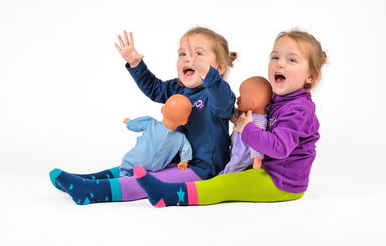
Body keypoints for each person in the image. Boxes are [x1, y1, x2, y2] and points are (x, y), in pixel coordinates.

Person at [134, 29, 328, 207]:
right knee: (229, 172)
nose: (280, 63)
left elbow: (279, 148)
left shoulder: (299, 110)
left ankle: (168, 195)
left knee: (222, 184)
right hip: (265, 169)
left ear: (310, 76)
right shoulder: (280, 99)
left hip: (282, 182)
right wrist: (239, 117)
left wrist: (247, 128)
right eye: (275, 57)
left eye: (291, 60)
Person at [49, 27, 237, 205]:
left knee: (147, 180)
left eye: (198, 55)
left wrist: (207, 73)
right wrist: (135, 63)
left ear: (218, 68)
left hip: (202, 169)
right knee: (134, 167)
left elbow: (222, 102)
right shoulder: (177, 88)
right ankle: (87, 180)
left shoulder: (219, 95)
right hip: (173, 160)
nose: (189, 60)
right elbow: (154, 88)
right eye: (183, 54)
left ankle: (92, 192)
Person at [120, 94, 193, 177]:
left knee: (128, 162)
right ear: (184, 121)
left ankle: (124, 175)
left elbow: (136, 124)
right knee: (131, 164)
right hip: (157, 166)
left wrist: (129, 122)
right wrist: (184, 161)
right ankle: (128, 175)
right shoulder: (180, 138)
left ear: (162, 110)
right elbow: (186, 149)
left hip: (138, 160)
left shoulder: (150, 123)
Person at [220, 76, 272, 174]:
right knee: (230, 163)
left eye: (241, 96)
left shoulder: (259, 121)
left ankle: (222, 179)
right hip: (236, 149)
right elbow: (236, 119)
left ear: (253, 104)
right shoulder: (249, 113)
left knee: (232, 168)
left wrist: (257, 158)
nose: (238, 98)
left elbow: (258, 141)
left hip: (243, 154)